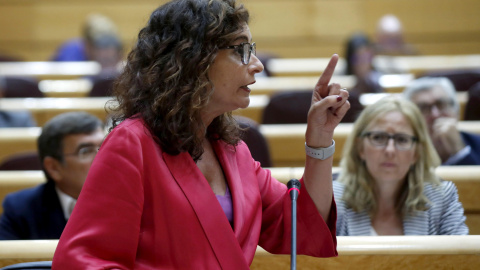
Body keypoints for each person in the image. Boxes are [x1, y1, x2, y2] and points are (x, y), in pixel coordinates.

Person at [52, 0, 350, 269]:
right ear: (193, 59)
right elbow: (84, 263)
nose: (257, 65)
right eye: (241, 50)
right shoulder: (132, 144)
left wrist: (319, 142)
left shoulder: (235, 152)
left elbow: (301, 229)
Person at [334, 96, 468, 236]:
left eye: (402, 140)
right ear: (360, 147)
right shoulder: (333, 199)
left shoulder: (441, 198)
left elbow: (461, 257)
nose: (390, 150)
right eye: (378, 138)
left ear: (417, 152)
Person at [0, 112, 104, 240]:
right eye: (85, 151)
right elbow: (9, 259)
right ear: (53, 167)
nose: (103, 157)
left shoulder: (130, 199)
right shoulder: (21, 209)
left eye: (104, 147)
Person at [404, 77, 480, 165]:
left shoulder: (478, 143)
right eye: (423, 108)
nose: (435, 114)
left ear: (456, 112)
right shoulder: (402, 149)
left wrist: (459, 150)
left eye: (441, 104)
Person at [51, 13, 124, 75]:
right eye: (99, 46)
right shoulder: (70, 54)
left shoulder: (113, 50)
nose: (105, 53)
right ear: (87, 45)